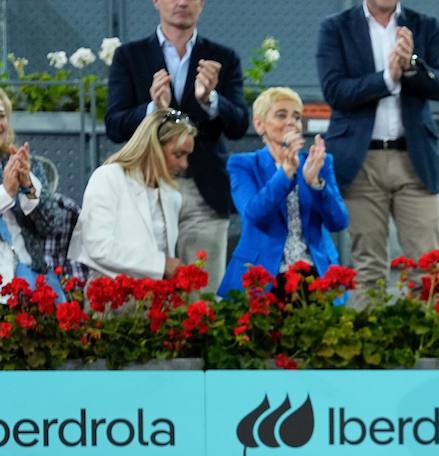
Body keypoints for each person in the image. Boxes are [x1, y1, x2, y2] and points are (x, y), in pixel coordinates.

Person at [105, 0, 249, 291]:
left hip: (204, 193)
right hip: (146, 189)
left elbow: (239, 125)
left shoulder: (223, 58)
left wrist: (211, 99)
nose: (182, 2)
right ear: (156, 1)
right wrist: (152, 109)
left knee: (202, 298)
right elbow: (115, 125)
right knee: (145, 296)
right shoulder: (129, 56)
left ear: (203, 3)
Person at [317, 0, 439, 289]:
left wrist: (412, 67)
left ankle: (424, 334)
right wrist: (386, 79)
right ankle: (368, 334)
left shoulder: (426, 25)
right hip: (360, 162)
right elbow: (335, 91)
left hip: (415, 161)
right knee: (368, 268)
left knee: (428, 269)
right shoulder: (335, 28)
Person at [220, 87, 349, 296]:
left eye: (296, 117)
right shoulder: (243, 165)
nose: (291, 122)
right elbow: (253, 214)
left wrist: (315, 183)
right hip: (263, 276)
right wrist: (286, 172)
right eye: (281, 115)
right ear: (259, 124)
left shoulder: (319, 163)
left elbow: (339, 222)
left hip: (315, 274)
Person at [69, 109, 197, 281]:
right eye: (178, 154)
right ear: (153, 147)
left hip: (154, 297)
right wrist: (162, 264)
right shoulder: (108, 176)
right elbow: (98, 246)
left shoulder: (172, 195)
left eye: (187, 156)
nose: (184, 164)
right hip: (110, 294)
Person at [0, 89, 73, 288]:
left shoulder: (24, 164)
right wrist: (6, 193)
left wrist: (28, 188)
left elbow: (52, 225)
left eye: (1, 116)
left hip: (31, 277)